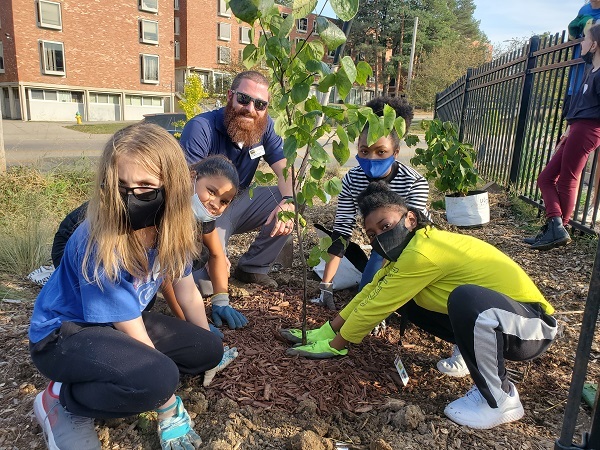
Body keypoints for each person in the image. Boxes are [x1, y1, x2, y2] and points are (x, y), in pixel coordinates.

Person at [281, 182, 557, 430]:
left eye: (385, 226)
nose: (379, 236)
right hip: (500, 321)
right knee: (410, 300)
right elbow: (372, 293)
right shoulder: (406, 253)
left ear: (410, 219)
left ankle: (501, 399)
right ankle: (469, 353)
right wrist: (328, 330)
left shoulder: (423, 252)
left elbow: (376, 306)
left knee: (465, 299)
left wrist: (338, 344)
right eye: (372, 233)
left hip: (530, 327)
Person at [29, 123, 224, 450]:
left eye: (146, 186)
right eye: (120, 186)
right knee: (159, 378)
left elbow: (186, 289)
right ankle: (61, 400)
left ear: (172, 187)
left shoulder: (169, 226)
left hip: (113, 325)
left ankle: (119, 376)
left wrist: (207, 343)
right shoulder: (100, 241)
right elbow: (130, 327)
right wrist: (167, 406)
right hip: (63, 335)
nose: (131, 198)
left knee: (208, 349)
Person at [50, 155, 248, 330]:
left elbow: (215, 253)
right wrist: (188, 324)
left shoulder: (202, 212)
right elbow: (166, 275)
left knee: (192, 257)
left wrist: (221, 299)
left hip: (122, 245)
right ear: (191, 177)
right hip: (81, 238)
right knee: (129, 297)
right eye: (211, 191)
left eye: (224, 201)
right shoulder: (166, 206)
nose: (215, 203)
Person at [180, 70, 294, 291]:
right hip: (203, 209)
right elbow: (185, 191)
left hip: (238, 201)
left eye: (260, 104)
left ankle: (253, 267)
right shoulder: (201, 128)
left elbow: (285, 171)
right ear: (230, 96)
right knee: (206, 285)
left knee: (290, 199)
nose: (251, 109)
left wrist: (288, 201)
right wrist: (216, 252)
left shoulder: (265, 128)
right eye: (244, 99)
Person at [312, 96, 429, 309]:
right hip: (379, 241)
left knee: (372, 295)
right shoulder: (352, 179)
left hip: (410, 248)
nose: (372, 159)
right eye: (364, 151)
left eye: (381, 152)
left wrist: (378, 293)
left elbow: (414, 236)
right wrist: (326, 285)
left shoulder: (414, 182)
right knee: (364, 290)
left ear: (395, 152)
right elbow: (341, 232)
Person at [525, 23, 600, 250]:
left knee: (568, 179)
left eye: (585, 39)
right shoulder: (590, 71)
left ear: (595, 45)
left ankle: (557, 229)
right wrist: (568, 130)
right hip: (576, 128)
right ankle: (556, 227)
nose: (581, 43)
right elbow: (578, 105)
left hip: (589, 129)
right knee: (545, 178)